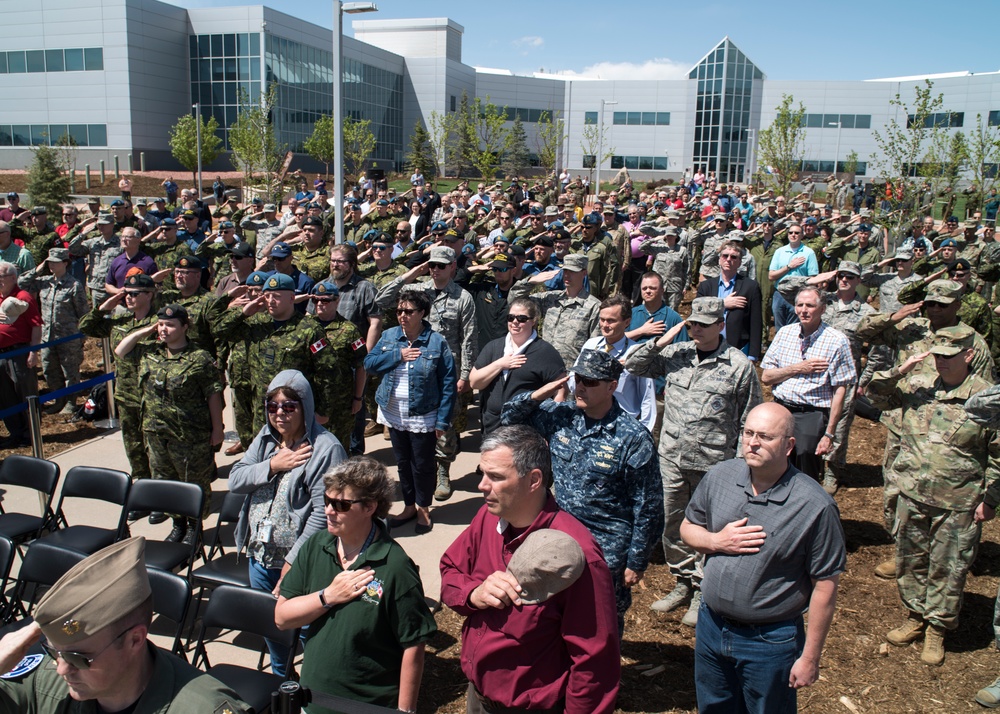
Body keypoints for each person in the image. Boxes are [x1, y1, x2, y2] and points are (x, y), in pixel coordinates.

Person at [440, 425, 620, 713]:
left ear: (534, 479)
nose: (482, 486)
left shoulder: (579, 557)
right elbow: (450, 570)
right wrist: (474, 593)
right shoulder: (487, 519)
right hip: (480, 697)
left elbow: (594, 662)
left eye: (496, 477)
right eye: (481, 473)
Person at [681, 402, 846, 714]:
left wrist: (810, 657)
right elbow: (688, 527)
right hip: (711, 626)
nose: (752, 443)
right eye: (748, 433)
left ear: (789, 446)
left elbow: (825, 584)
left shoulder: (814, 506)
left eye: (765, 437)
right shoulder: (720, 476)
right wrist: (716, 541)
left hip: (769, 641)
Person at [500, 349, 662, 632]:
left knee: (603, 619)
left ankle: (603, 674)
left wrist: (636, 561)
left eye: (590, 381)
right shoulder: (562, 416)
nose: (581, 386)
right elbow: (510, 417)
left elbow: (647, 505)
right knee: (556, 612)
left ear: (612, 386)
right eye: (578, 378)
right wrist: (541, 393)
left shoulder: (633, 437)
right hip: (559, 535)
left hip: (606, 545)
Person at [866, 326, 999, 666]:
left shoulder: (986, 398)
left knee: (949, 567)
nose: (940, 362)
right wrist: (900, 370)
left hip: (958, 502)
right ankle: (914, 616)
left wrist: (991, 499)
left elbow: (998, 454)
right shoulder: (917, 385)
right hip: (912, 493)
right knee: (911, 560)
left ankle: (936, 628)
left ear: (968, 355)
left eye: (948, 356)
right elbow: (873, 395)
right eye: (937, 355)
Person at [626, 296, 762, 625]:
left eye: (704, 324)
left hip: (713, 463)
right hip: (671, 457)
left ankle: (703, 588)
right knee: (673, 523)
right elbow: (632, 364)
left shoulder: (738, 365)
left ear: (720, 325)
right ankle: (682, 581)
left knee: (709, 528)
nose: (697, 329)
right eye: (693, 324)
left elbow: (749, 418)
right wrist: (663, 339)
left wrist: (745, 466)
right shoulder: (677, 355)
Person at [0, 537, 249, 713]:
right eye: (54, 652)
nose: (61, 670)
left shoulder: (203, 709)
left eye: (77, 658)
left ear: (134, 640)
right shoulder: (47, 681)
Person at [275, 457, 436, 713]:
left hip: (366, 707)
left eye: (341, 504)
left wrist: (405, 711)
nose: (329, 510)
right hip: (312, 702)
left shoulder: (394, 566)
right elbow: (282, 618)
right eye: (327, 501)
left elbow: (413, 644)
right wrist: (327, 596)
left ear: (370, 507)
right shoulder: (316, 545)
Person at [229, 369, 347, 677]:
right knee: (274, 630)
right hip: (260, 558)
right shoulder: (266, 441)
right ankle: (283, 686)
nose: (279, 413)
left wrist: (293, 562)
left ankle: (317, 691)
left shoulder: (326, 448)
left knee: (309, 633)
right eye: (272, 406)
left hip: (302, 565)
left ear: (305, 406)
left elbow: (324, 513)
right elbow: (235, 479)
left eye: (289, 406)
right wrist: (272, 465)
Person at [114, 303, 224, 544]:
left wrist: (218, 428)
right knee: (165, 481)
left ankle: (195, 527)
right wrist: (146, 331)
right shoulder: (149, 351)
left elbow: (213, 394)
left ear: (185, 327)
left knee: (193, 482)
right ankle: (178, 525)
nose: (164, 329)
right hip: (155, 433)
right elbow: (120, 351)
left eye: (170, 325)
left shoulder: (200, 358)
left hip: (190, 436)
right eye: (161, 324)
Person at [364, 291, 456, 535]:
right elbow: (369, 364)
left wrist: (442, 420)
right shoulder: (389, 336)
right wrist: (398, 355)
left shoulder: (436, 342)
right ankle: (408, 506)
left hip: (422, 414)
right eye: (399, 311)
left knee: (422, 464)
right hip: (394, 412)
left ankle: (424, 508)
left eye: (408, 311)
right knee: (403, 463)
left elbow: (447, 383)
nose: (402, 316)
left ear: (422, 313)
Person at [761, 286, 857, 481]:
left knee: (804, 469)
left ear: (822, 309)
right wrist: (798, 368)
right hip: (781, 408)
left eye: (810, 305)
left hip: (811, 414)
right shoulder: (784, 334)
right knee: (773, 461)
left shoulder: (837, 341)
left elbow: (840, 391)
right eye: (799, 305)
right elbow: (767, 377)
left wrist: (829, 434)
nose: (803, 310)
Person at [470, 297, 566, 435]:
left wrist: (551, 425)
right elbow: (474, 382)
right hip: (492, 426)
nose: (515, 322)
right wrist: (500, 364)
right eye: (511, 317)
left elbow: (561, 391)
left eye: (521, 318)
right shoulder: (493, 347)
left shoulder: (545, 352)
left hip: (526, 429)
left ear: (533, 321)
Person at [16, 248, 88, 415]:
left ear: (65, 263)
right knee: (50, 370)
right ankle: (58, 400)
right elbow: (21, 283)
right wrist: (38, 268)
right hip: (47, 336)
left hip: (68, 337)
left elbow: (83, 313)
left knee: (70, 371)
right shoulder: (44, 282)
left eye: (55, 262)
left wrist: (82, 336)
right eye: (50, 262)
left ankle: (70, 402)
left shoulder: (74, 285)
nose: (52, 265)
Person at [696, 240, 763, 361]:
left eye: (733, 257)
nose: (728, 259)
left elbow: (756, 322)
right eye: (725, 255)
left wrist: (753, 355)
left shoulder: (750, 287)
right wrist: (722, 304)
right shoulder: (706, 286)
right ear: (719, 260)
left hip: (739, 347)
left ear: (739, 262)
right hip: (709, 346)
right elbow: (696, 310)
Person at [0, 262, 41, 448]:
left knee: (24, 392)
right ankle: (15, 432)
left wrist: (33, 352)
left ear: (13, 277)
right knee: (5, 395)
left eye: (2, 277)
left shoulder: (23, 297)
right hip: (1, 355)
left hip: (19, 352)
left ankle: (30, 433)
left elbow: (36, 326)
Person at [768, 222, 818, 330]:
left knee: (795, 328)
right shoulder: (779, 252)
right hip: (780, 295)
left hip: (798, 295)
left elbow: (813, 278)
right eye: (791, 232)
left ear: (802, 235)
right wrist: (789, 266)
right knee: (779, 328)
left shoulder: (809, 253)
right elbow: (771, 276)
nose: (793, 235)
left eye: (797, 232)